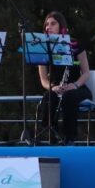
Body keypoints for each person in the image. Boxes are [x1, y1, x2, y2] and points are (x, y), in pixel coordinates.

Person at [32, 11, 91, 145]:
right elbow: (43, 80)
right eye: (47, 24)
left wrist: (74, 85)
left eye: (53, 23)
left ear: (61, 26)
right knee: (48, 97)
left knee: (69, 97)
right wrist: (53, 87)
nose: (49, 27)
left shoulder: (75, 45)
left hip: (78, 88)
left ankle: (70, 137)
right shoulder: (42, 48)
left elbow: (86, 73)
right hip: (57, 88)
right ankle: (51, 134)